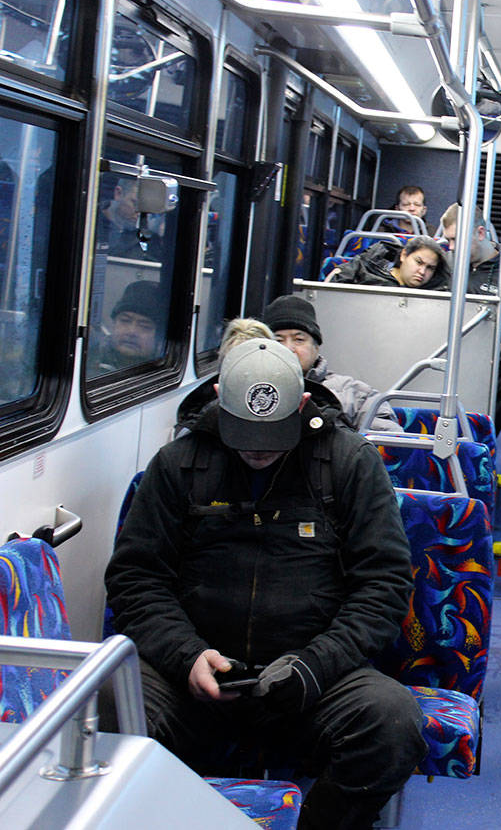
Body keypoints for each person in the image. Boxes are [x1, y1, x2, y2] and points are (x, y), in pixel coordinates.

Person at [106, 339, 425, 829]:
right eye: (243, 432)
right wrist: (185, 655)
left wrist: (315, 666)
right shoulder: (180, 464)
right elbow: (136, 578)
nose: (256, 448)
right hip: (191, 677)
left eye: (274, 434)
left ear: (301, 406)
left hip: (311, 681)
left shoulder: (348, 464)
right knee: (110, 706)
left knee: (391, 723)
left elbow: (382, 585)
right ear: (218, 398)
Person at [440, 203, 501, 433]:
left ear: (480, 233)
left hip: (487, 356)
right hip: (442, 345)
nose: (451, 247)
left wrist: (500, 340)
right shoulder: (444, 263)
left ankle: (483, 431)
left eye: (457, 239)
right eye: (449, 240)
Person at [264, 294, 400, 433]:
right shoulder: (247, 390)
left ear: (316, 348)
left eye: (299, 340)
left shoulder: (358, 396)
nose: (288, 349)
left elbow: (388, 446)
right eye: (278, 340)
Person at [88, 280, 164, 374]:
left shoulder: (165, 370)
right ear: (114, 323)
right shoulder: (89, 359)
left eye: (144, 326)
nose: (131, 332)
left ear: (159, 337)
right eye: (125, 321)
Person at [329, 235, 449, 291]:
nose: (422, 272)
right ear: (404, 255)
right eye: (418, 262)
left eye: (430, 268)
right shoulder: (367, 267)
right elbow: (333, 282)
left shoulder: (435, 292)